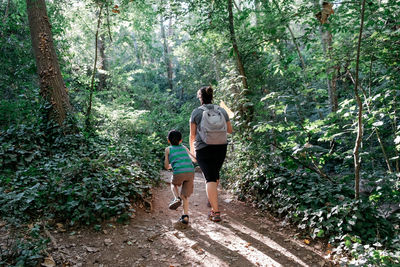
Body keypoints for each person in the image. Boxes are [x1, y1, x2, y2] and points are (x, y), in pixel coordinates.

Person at [189, 86, 233, 222]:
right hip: (221, 147)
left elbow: (192, 135)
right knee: (215, 174)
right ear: (212, 96)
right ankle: (212, 200)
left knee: (209, 178)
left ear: (200, 98)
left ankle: (216, 211)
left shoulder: (196, 112)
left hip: (204, 148)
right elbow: (230, 130)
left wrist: (192, 151)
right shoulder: (222, 111)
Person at [164, 129, 196, 225]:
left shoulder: (168, 149)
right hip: (190, 171)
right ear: (181, 140)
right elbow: (194, 159)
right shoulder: (184, 147)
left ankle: (176, 198)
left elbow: (166, 166)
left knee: (173, 184)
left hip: (178, 172)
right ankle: (185, 216)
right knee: (185, 196)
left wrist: (171, 166)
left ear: (168, 140)